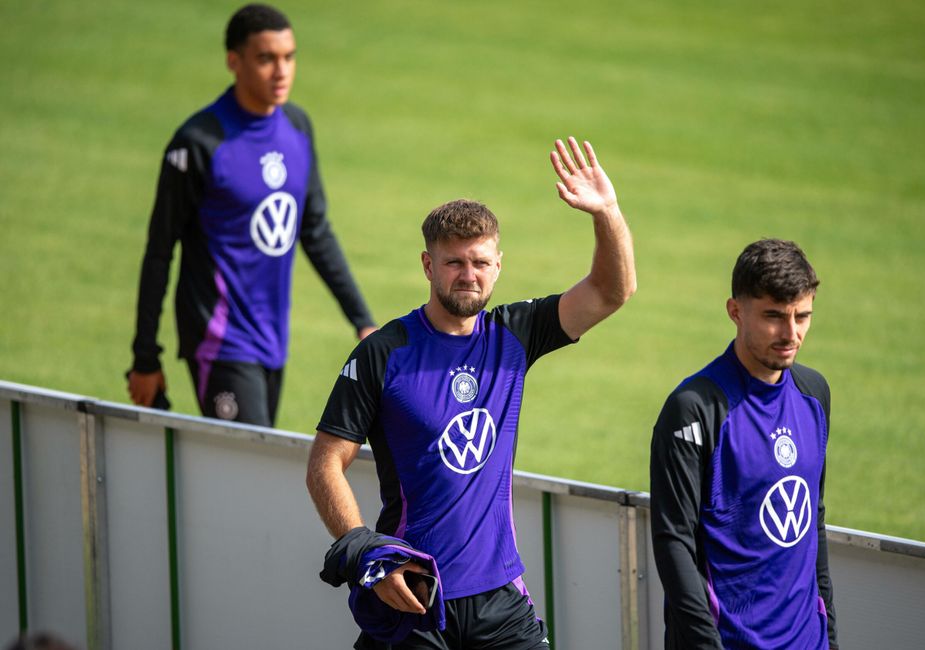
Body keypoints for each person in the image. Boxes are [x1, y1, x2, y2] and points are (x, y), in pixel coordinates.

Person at [306, 137, 636, 649]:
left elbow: (612, 291)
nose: (469, 275)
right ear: (427, 265)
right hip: (415, 594)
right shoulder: (384, 353)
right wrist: (366, 550)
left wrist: (606, 212)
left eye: (480, 262)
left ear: (499, 265)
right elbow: (325, 463)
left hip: (500, 599)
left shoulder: (516, 334)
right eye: (454, 262)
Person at [127, 3, 376, 426]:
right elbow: (159, 251)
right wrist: (145, 357)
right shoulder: (197, 143)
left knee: (251, 466)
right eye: (266, 59)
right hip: (219, 339)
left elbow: (313, 230)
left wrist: (362, 321)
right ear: (233, 61)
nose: (281, 71)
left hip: (272, 339)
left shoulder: (297, 127)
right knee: (248, 472)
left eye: (289, 57)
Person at [649, 239, 838, 649]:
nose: (791, 334)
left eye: (802, 316)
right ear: (735, 311)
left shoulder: (814, 394)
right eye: (773, 316)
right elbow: (673, 542)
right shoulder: (693, 409)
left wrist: (831, 635)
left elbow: (813, 525)